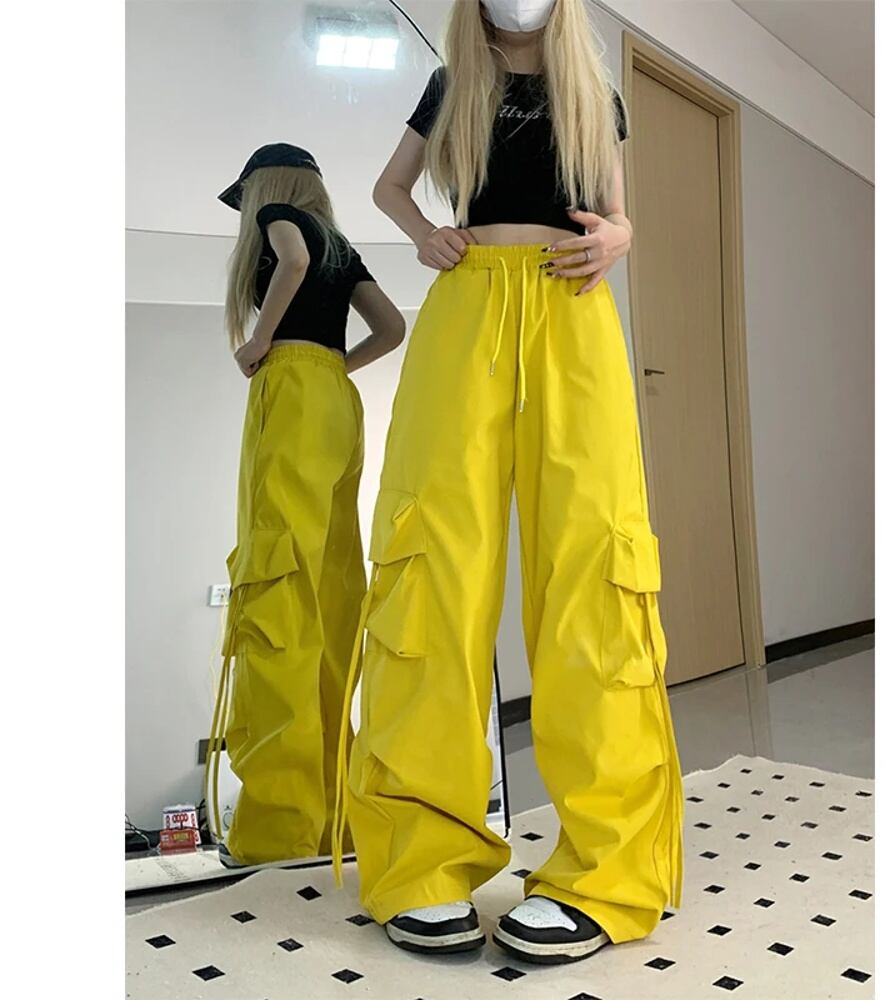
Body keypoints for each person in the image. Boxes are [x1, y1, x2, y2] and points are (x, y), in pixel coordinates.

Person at [332, 0, 684, 964]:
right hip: (468, 310)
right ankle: (421, 858)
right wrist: (423, 233)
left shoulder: (592, 91)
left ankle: (605, 868)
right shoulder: (453, 86)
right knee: (432, 569)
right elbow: (390, 186)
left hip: (572, 305)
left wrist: (619, 238)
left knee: (594, 570)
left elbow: (617, 215)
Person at [206, 143, 405, 869]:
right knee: (331, 590)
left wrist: (261, 342)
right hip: (336, 403)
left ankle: (279, 832)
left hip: (291, 390)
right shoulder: (343, 249)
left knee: (277, 587)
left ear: (265, 186)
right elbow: (393, 328)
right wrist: (334, 367)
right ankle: (334, 825)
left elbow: (289, 260)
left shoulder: (280, 218)